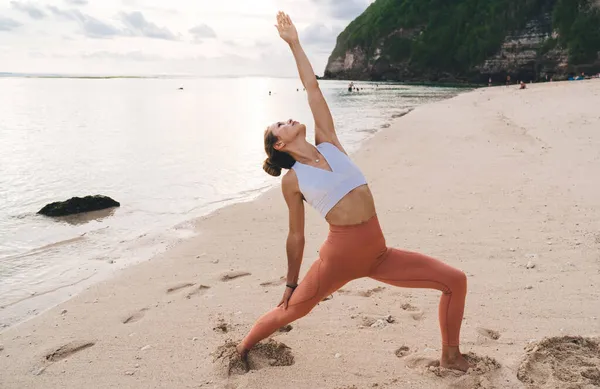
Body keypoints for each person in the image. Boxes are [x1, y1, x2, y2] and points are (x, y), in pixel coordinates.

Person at [236, 11, 471, 373]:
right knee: (292, 309)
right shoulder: (293, 180)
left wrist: (295, 43)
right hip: (338, 258)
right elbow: (296, 236)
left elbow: (313, 88)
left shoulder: (328, 143)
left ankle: (450, 356)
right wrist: (290, 281)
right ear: (280, 143)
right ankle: (240, 349)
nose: (289, 118)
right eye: (280, 124)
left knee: (454, 280)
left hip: (378, 254)